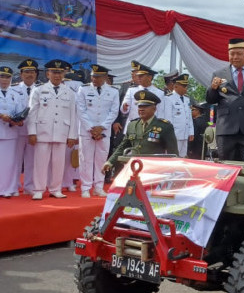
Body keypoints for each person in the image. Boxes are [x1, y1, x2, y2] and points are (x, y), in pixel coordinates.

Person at [26, 59, 78, 200]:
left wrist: (72, 135)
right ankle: (38, 189)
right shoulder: (39, 91)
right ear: (47, 74)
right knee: (40, 163)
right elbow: (32, 114)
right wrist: (32, 132)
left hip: (62, 132)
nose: (57, 75)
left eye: (60, 73)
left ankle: (56, 188)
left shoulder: (70, 93)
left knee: (59, 163)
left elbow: (74, 115)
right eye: (54, 72)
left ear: (64, 74)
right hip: (42, 131)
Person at [103, 90, 178, 173]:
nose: (141, 109)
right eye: (139, 106)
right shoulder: (132, 125)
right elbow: (122, 147)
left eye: (145, 106)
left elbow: (173, 153)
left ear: (154, 108)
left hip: (154, 169)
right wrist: (110, 162)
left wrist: (173, 171)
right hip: (134, 168)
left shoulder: (164, 126)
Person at [75, 64, 120, 198]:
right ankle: (86, 187)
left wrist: (102, 127)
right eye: (93, 76)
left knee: (101, 159)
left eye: (98, 77)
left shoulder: (113, 91)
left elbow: (113, 112)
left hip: (104, 131)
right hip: (87, 130)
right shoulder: (83, 90)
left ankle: (99, 187)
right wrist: (91, 128)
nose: (95, 79)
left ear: (105, 77)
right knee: (85, 159)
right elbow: (81, 110)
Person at [11, 58, 40, 195]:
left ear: (36, 74)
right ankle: (14, 186)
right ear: (21, 74)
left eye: (32, 72)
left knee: (31, 161)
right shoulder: (13, 89)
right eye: (26, 72)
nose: (30, 75)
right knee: (15, 160)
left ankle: (29, 186)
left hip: (34, 130)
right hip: (16, 130)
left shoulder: (41, 89)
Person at [0, 66, 23, 197]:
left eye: (7, 77)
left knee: (9, 164)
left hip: (10, 132)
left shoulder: (15, 94)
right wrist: (1, 115)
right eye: (2, 76)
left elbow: (19, 112)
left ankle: (8, 189)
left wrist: (19, 120)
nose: (4, 79)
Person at [162, 73, 194, 157]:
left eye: (186, 86)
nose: (186, 88)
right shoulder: (169, 98)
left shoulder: (186, 99)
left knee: (183, 156)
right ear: (176, 86)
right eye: (184, 86)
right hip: (175, 134)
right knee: (173, 156)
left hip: (185, 133)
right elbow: (168, 119)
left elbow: (189, 116)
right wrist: (170, 135)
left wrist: (191, 132)